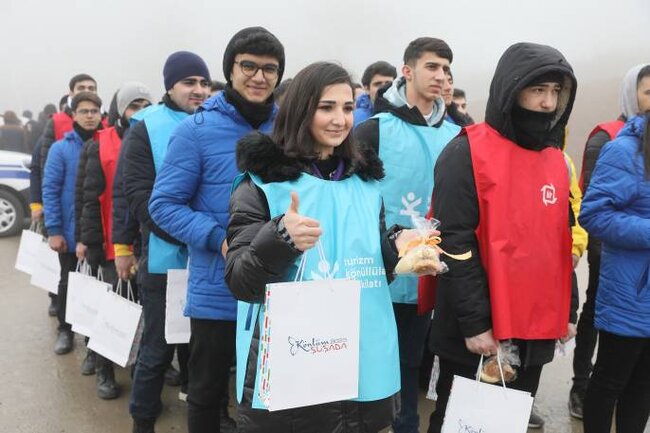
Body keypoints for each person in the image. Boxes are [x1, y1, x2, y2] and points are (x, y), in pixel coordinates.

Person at [225, 60, 427, 433]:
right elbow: (241, 281)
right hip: (295, 361)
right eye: (326, 107)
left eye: (347, 108)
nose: (340, 119)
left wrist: (396, 246)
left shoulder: (366, 183)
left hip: (364, 360)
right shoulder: (263, 184)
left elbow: (367, 267)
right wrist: (280, 238)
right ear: (301, 111)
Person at [425, 42, 579, 432]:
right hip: (478, 329)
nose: (548, 102)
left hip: (536, 327)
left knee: (510, 421)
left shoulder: (555, 159)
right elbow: (453, 241)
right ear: (511, 90)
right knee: (461, 422)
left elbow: (561, 239)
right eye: (538, 90)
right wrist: (475, 324)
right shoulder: (465, 152)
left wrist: (569, 310)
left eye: (555, 92)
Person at [149, 26, 285, 433]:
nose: (259, 77)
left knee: (271, 393)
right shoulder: (196, 130)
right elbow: (163, 205)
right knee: (207, 392)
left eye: (270, 69)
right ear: (231, 69)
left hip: (278, 286)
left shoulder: (289, 129)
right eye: (249, 66)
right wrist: (218, 238)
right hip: (217, 289)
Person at [354, 37, 461, 433]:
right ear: (407, 70)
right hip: (378, 267)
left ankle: (407, 424)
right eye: (432, 66)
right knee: (374, 359)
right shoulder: (373, 130)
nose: (441, 76)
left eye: (446, 69)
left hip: (435, 270)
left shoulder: (458, 136)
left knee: (413, 361)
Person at [122, 51, 210, 433]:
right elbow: (139, 197)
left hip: (213, 260)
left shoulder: (216, 121)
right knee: (158, 350)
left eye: (204, 83)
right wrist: (196, 234)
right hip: (166, 262)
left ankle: (208, 413)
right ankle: (142, 420)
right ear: (170, 86)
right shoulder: (146, 126)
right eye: (189, 82)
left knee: (205, 349)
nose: (199, 90)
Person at [569, 63, 650, 419]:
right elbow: (594, 214)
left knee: (644, 385)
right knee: (610, 380)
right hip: (631, 288)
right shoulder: (622, 150)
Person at [42, 91, 104, 355]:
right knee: (68, 282)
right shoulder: (60, 149)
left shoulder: (107, 142)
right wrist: (54, 230)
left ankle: (96, 338)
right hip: (69, 230)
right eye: (84, 111)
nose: (90, 116)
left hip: (98, 231)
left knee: (98, 284)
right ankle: (65, 330)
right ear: (73, 115)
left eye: (94, 111)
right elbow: (50, 190)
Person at [354, 61, 397, 126]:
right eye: (378, 84)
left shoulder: (404, 115)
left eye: (388, 84)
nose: (384, 88)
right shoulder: (355, 119)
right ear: (367, 89)